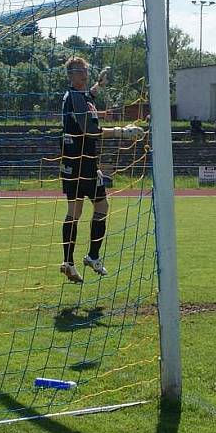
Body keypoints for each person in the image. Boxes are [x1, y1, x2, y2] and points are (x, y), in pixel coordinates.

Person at [59, 57, 144, 282]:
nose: (84, 75)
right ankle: (92, 256)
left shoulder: (78, 96)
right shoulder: (76, 98)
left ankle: (70, 262)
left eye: (85, 71)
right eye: (79, 72)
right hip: (82, 163)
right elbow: (90, 130)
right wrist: (121, 131)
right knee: (101, 206)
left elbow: (88, 97)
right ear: (70, 75)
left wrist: (99, 84)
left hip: (73, 162)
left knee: (76, 212)